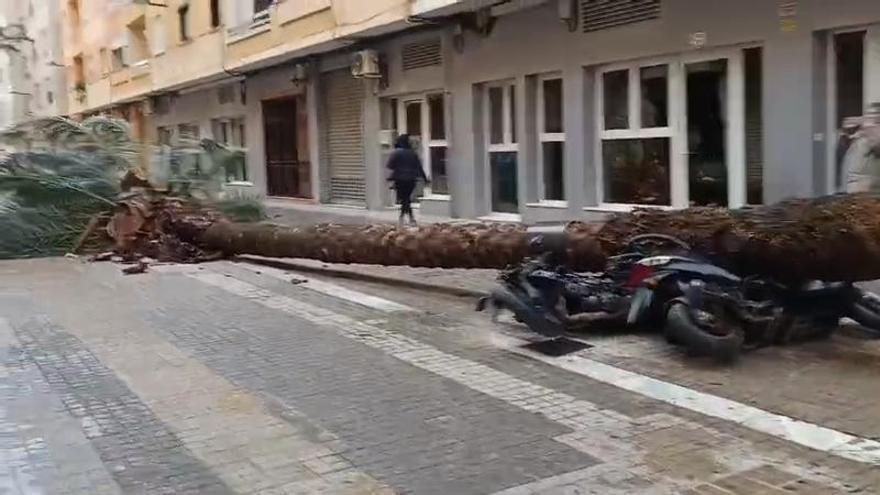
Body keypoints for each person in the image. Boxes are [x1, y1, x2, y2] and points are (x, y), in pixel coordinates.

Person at [387, 134, 429, 226]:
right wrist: (425, 179)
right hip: (411, 179)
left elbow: (390, 165)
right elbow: (419, 167)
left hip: (400, 179)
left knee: (404, 199)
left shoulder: (396, 153)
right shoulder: (413, 153)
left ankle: (407, 218)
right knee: (406, 199)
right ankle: (407, 218)